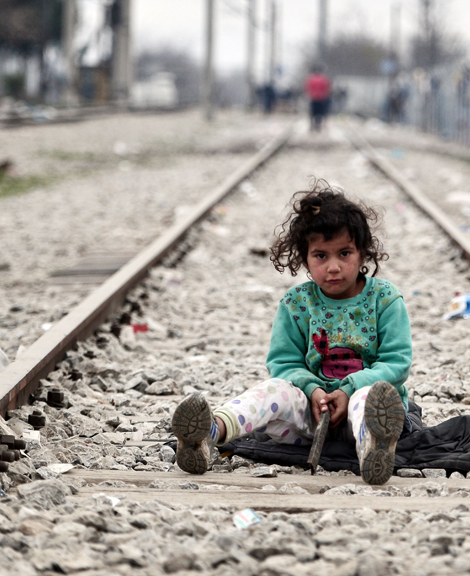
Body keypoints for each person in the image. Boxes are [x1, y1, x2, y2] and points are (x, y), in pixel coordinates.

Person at [170, 183, 411, 485]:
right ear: (304, 258)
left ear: (363, 253)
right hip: (308, 421)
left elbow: (396, 363)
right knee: (272, 389)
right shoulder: (297, 303)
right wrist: (312, 391)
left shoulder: (385, 299)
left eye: (345, 253)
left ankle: (374, 450)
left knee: (370, 396)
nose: (334, 267)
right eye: (321, 256)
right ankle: (208, 435)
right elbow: (284, 364)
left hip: (359, 417)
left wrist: (349, 390)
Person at [304, 65, 332, 131]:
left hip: (313, 98)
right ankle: (318, 124)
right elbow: (328, 88)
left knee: (313, 112)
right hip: (322, 99)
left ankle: (312, 125)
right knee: (321, 112)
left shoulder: (310, 79)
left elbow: (307, 88)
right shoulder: (324, 79)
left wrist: (310, 95)